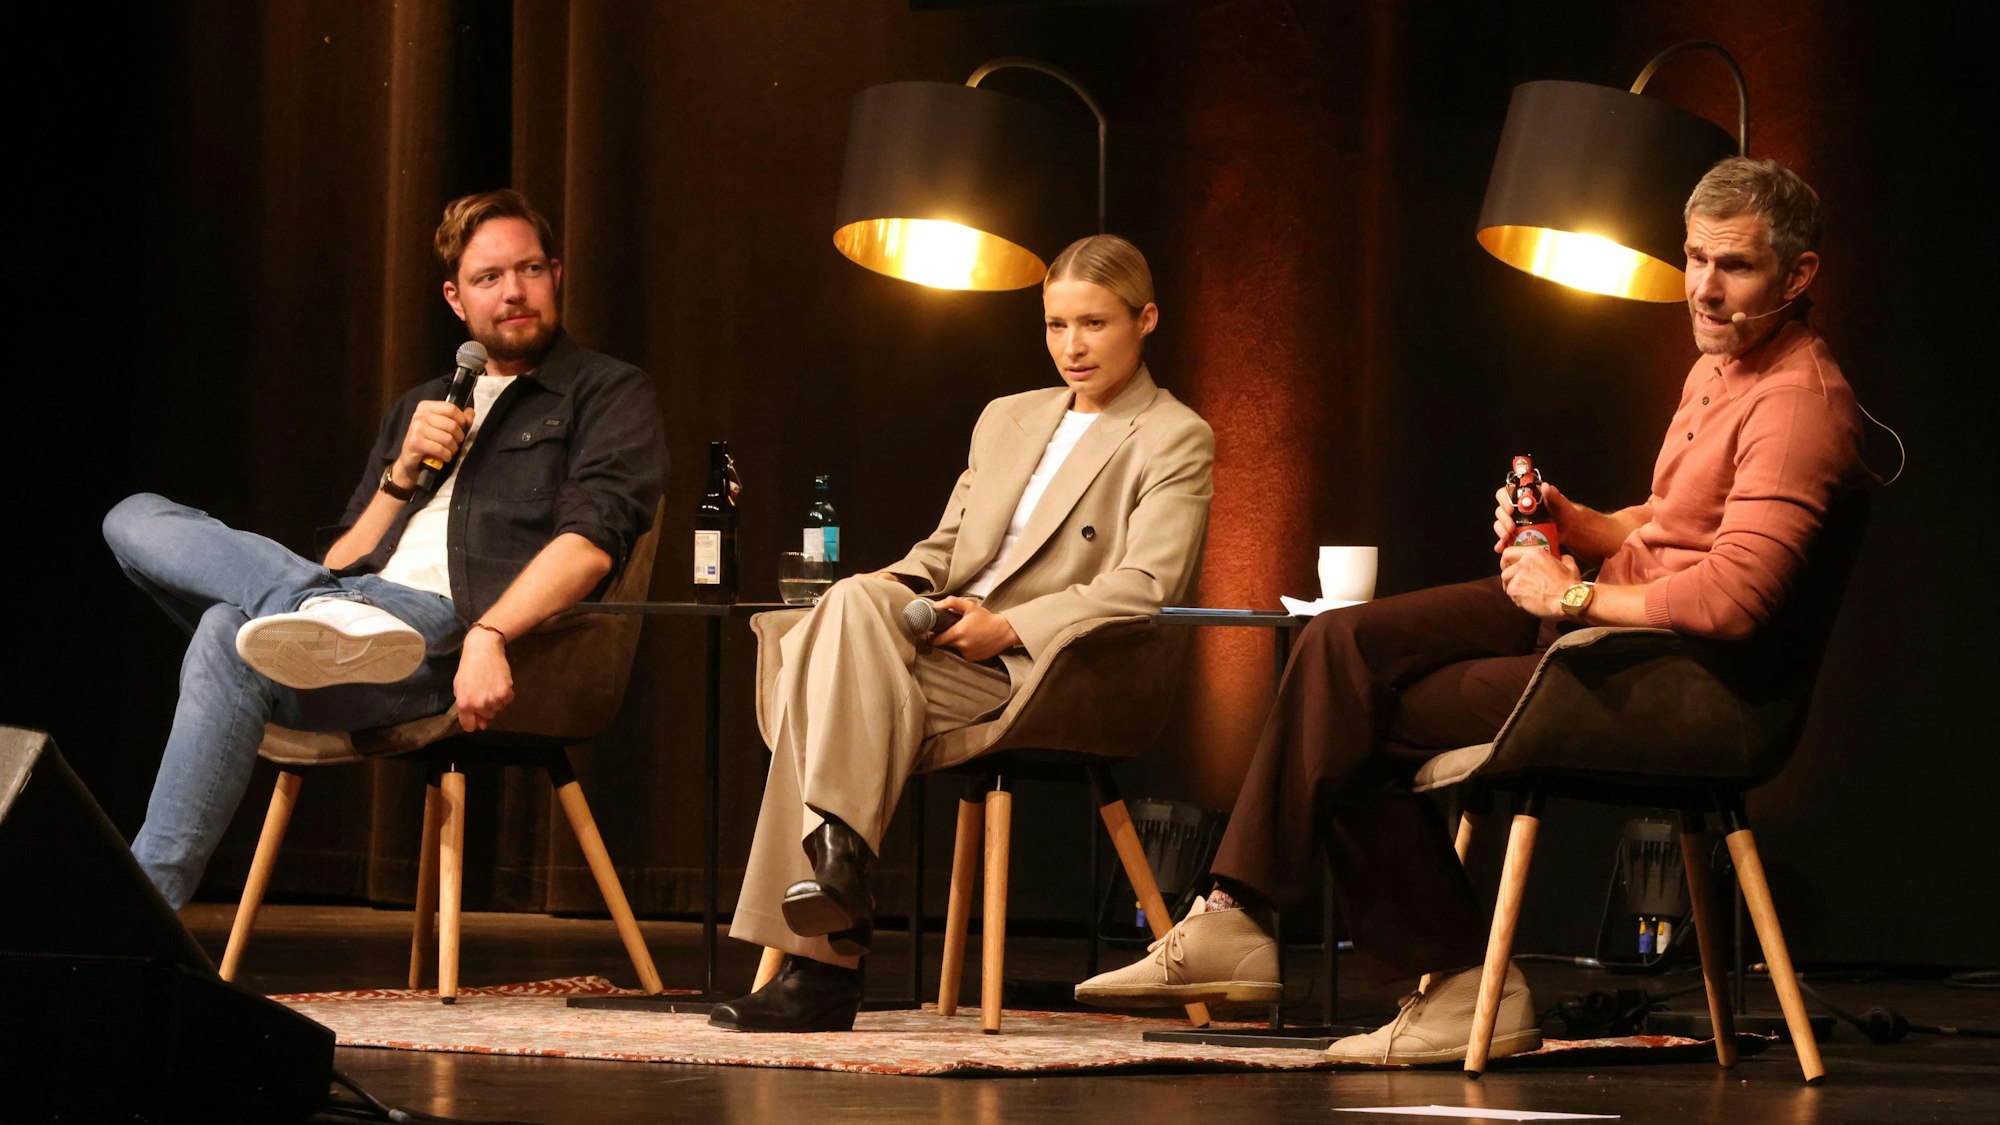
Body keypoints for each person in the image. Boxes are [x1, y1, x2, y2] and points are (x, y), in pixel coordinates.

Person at [1075, 157, 1875, 1065]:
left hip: (1680, 680)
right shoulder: (1720, 368)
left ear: (1798, 276)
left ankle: (1447, 981)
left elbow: (1735, 596)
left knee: (1349, 719)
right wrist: (1583, 524)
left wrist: (1571, 591)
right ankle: (1236, 918)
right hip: (1613, 628)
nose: (1703, 287)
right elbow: (1676, 519)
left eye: (1734, 266)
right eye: (1694, 259)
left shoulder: (1800, 406)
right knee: (1339, 642)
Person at [103, 189, 666, 910]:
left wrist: (491, 631)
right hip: (350, 617)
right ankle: (317, 615)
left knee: (225, 629)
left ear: (556, 273)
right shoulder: (419, 406)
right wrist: (399, 477)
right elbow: (346, 555)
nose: (515, 291)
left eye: (529, 269)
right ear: (456, 299)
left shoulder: (606, 392)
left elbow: (591, 545)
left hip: (440, 633)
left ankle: (135, 916)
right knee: (131, 517)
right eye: (489, 278)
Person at [710, 234, 1215, 1033]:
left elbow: (1146, 584)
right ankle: (837, 869)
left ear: (1145, 319)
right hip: (936, 629)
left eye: (1094, 324)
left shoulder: (1173, 435)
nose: (1072, 347)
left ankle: (828, 949)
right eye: (1055, 325)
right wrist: (894, 587)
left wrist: (1008, 624)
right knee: (845, 605)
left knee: (822, 669)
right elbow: (946, 549)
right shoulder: (1007, 417)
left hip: (1036, 664)